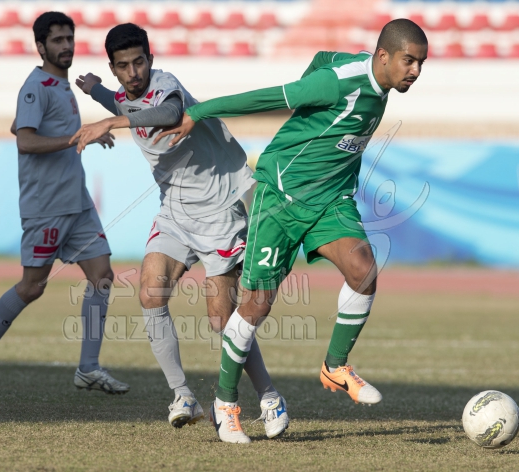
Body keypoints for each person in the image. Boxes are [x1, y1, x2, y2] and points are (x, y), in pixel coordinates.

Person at [154, 19, 429, 443]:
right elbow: (268, 97)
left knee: (364, 270)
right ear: (383, 56)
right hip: (281, 197)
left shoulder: (378, 81)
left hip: (330, 200)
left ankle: (335, 366)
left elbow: (322, 57)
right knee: (256, 306)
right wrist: (198, 112)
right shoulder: (338, 84)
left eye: (421, 63)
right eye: (409, 61)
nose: (415, 71)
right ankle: (225, 404)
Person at [69, 23, 288, 437]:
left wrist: (110, 121)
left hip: (220, 210)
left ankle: (270, 396)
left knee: (222, 320)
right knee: (150, 293)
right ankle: (183, 394)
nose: (133, 72)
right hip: (174, 212)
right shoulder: (123, 95)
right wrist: (95, 89)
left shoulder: (166, 87)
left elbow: (167, 114)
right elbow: (119, 98)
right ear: (114, 68)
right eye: (123, 66)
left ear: (150, 59)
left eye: (139, 62)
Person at [0, 12, 128, 398]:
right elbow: (24, 141)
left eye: (69, 38)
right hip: (46, 206)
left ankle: (88, 367)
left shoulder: (61, 84)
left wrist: (78, 134)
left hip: (77, 203)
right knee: (32, 286)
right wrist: (78, 137)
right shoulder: (35, 86)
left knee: (102, 276)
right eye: (57, 40)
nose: (66, 46)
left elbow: (21, 125)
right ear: (41, 46)